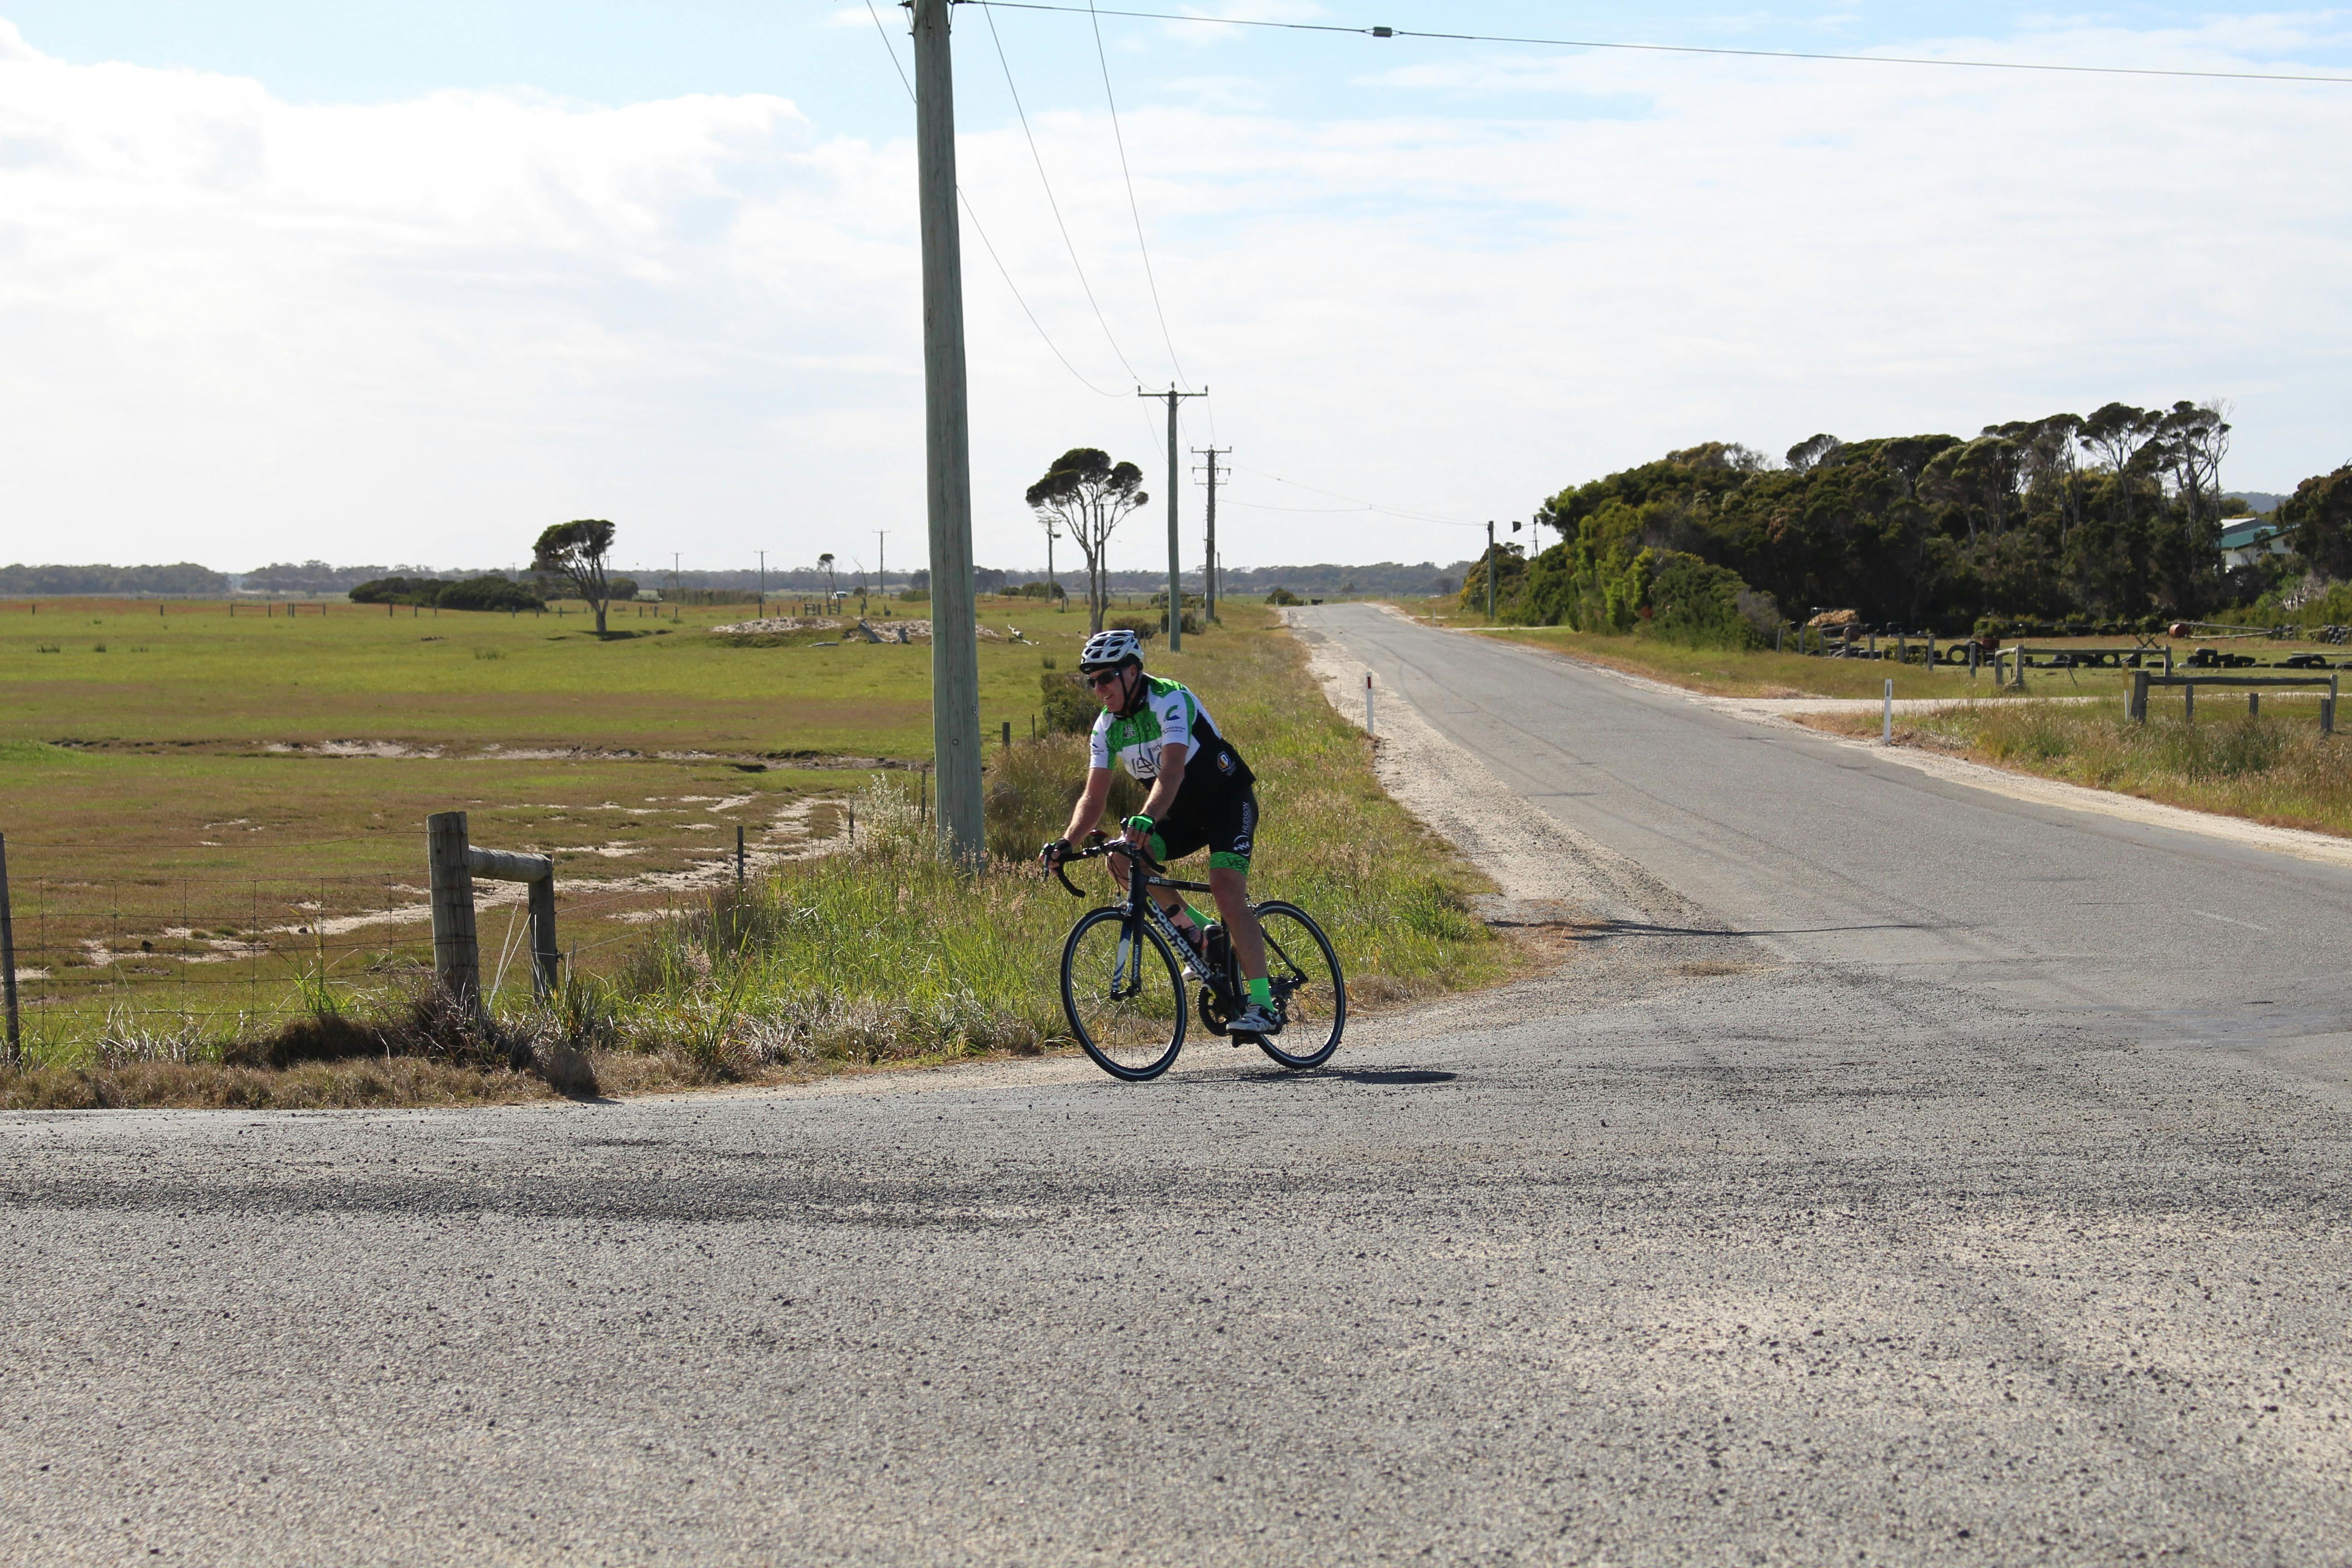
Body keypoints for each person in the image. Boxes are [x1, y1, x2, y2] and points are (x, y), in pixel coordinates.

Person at [1040, 628, 1283, 1037]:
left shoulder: (1170, 699)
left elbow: (1173, 771)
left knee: (1225, 888)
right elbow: (1094, 797)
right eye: (1092, 681)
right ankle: (1201, 935)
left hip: (1226, 803)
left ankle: (1264, 1004)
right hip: (1179, 815)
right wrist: (1067, 842)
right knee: (1122, 859)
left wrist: (1146, 816)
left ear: (1132, 672)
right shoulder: (1106, 727)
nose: (1099, 689)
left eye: (1106, 678)